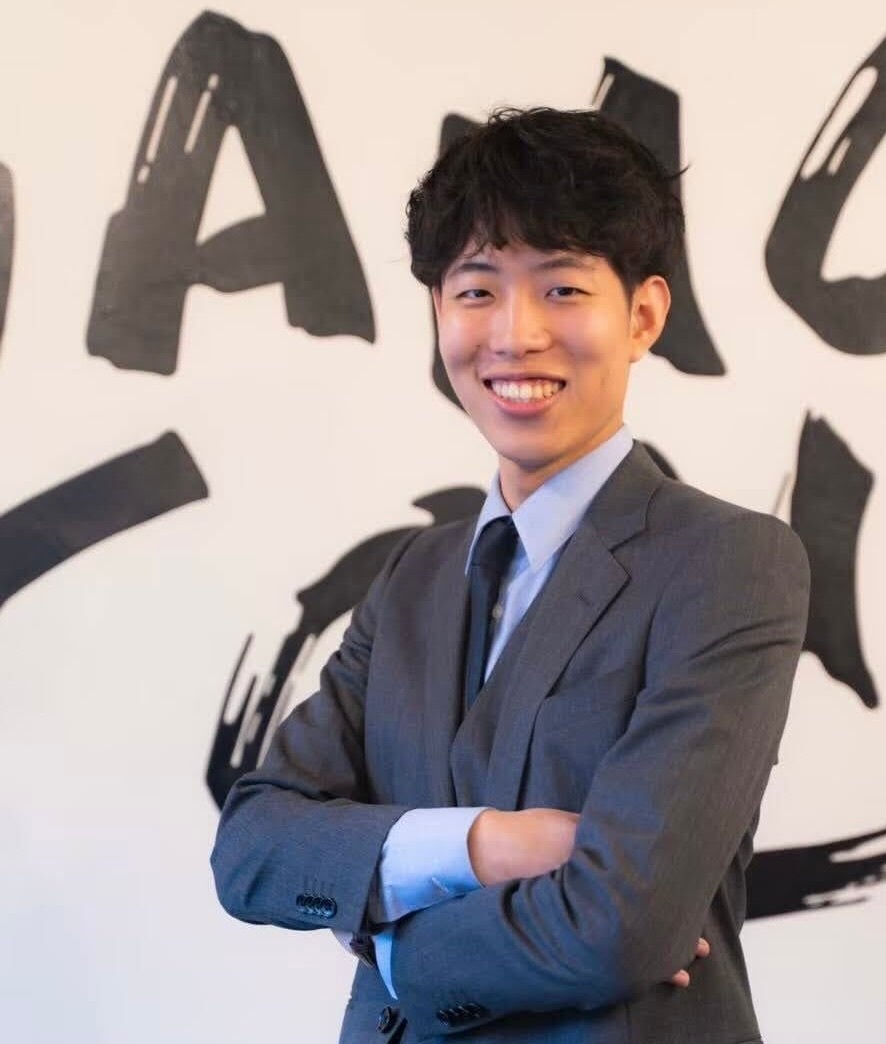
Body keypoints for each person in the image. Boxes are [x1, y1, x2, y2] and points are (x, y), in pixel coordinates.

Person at [211, 107, 810, 1043]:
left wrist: (393, 944)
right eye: (477, 290)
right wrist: (483, 845)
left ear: (643, 315)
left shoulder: (728, 563)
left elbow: (625, 926)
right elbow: (252, 849)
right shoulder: (412, 576)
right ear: (439, 313)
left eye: (563, 289)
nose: (515, 334)